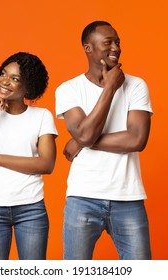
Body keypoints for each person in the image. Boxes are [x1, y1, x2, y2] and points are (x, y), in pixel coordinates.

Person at [55, 21, 153, 260]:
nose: (116, 48)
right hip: (82, 198)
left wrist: (81, 141)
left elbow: (137, 139)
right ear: (88, 48)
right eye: (108, 42)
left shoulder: (136, 85)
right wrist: (109, 88)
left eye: (117, 42)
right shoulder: (68, 89)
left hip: (128, 198)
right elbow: (86, 133)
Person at [0, 52, 58, 260]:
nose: (5, 81)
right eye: (3, 74)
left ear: (29, 87)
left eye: (15, 78)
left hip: (31, 209)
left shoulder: (41, 116)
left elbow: (46, 164)